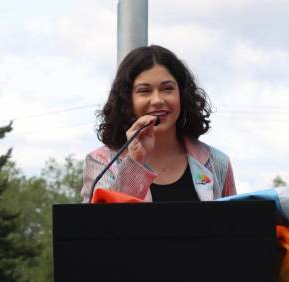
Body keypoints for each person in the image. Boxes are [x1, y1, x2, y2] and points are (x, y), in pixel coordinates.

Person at [81, 45, 236, 203]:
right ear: (127, 100)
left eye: (167, 89)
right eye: (144, 91)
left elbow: (233, 225)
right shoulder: (101, 161)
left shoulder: (217, 162)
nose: (157, 100)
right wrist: (134, 161)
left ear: (182, 95)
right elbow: (102, 225)